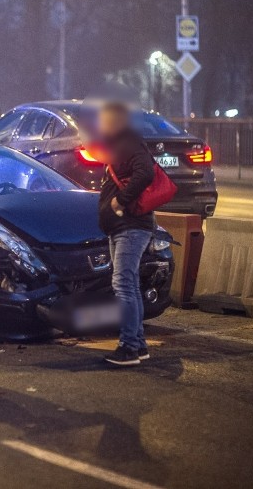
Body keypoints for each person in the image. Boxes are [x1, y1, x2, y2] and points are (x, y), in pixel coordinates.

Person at [97, 101, 155, 367]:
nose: (101, 123)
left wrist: (120, 201)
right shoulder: (119, 145)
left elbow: (146, 173)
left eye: (105, 119)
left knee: (123, 285)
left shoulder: (131, 143)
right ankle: (139, 344)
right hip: (121, 227)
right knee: (128, 285)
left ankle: (129, 347)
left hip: (132, 226)